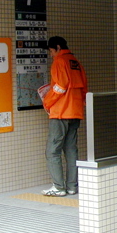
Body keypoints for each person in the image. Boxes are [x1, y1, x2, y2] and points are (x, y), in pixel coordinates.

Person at [41, 36, 88, 197]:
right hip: (75, 112)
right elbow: (84, 88)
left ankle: (59, 187)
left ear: (58, 47)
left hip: (60, 112)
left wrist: (47, 102)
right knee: (71, 149)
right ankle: (72, 186)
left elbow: (60, 87)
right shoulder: (76, 62)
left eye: (51, 51)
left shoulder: (59, 62)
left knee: (52, 151)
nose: (51, 55)